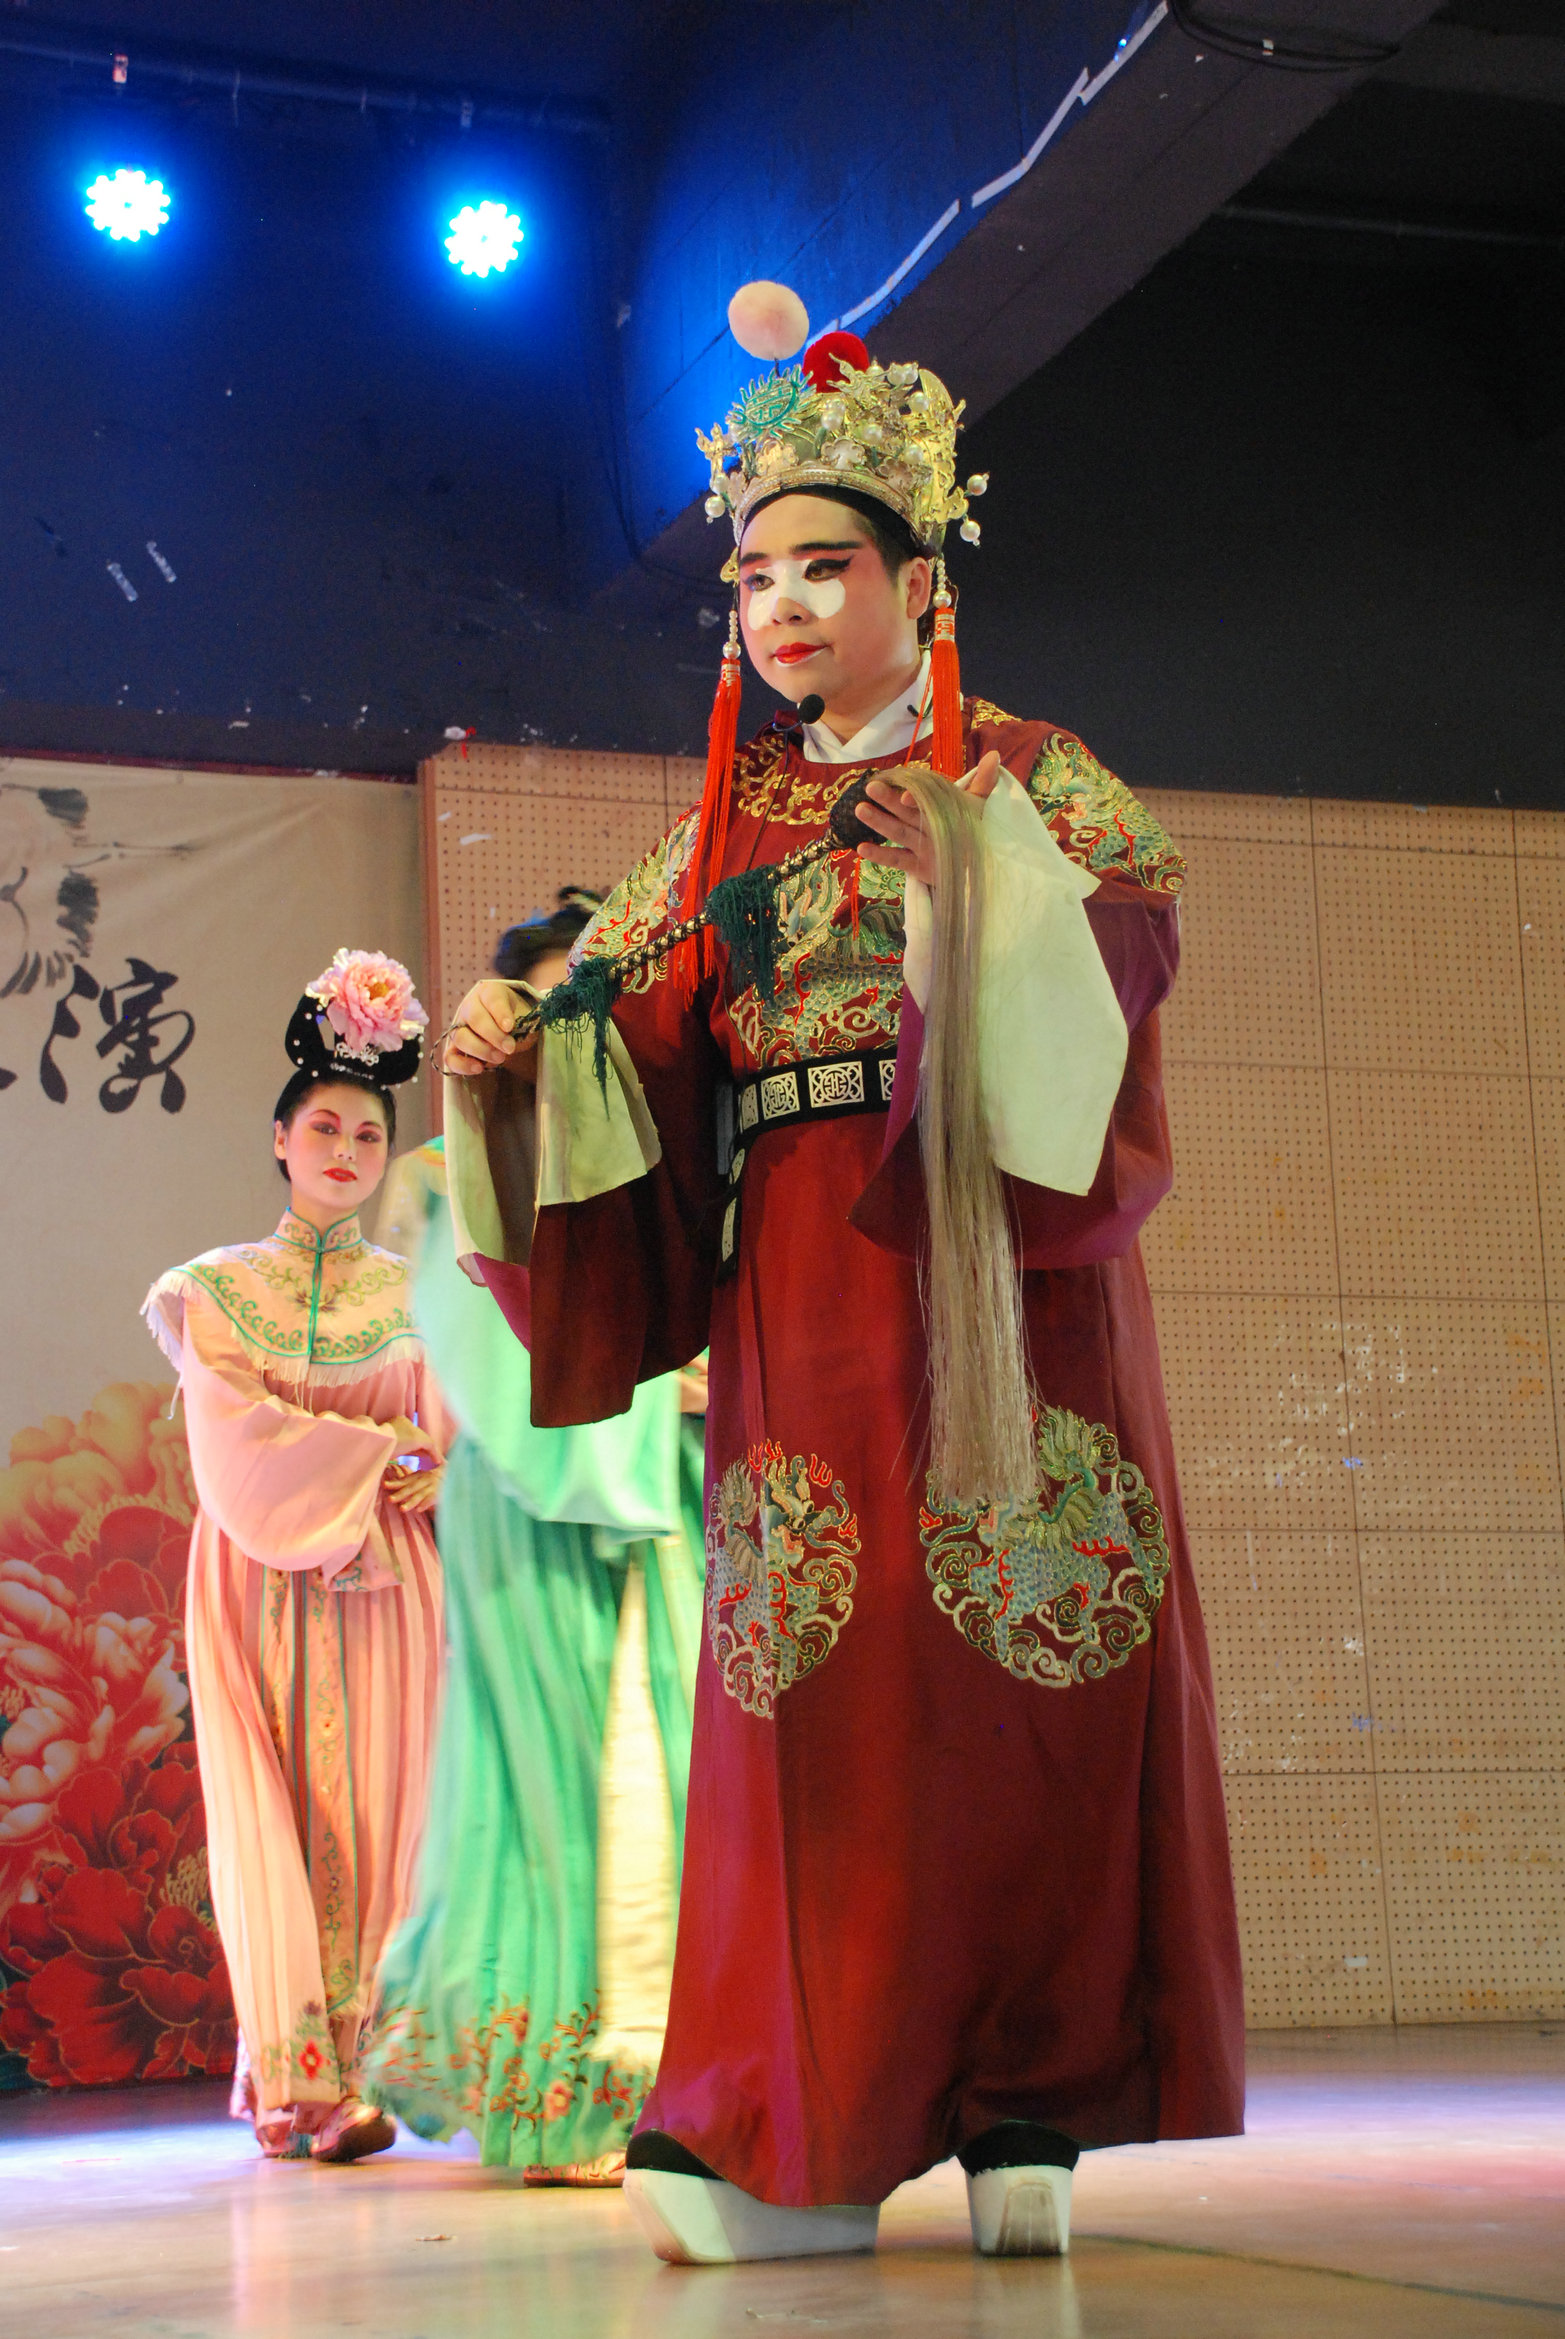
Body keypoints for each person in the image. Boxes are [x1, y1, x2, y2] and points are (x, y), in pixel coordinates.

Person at [440, 302, 1243, 2261]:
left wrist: (975, 877)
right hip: (798, 1288)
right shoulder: (716, 829)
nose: (783, 607)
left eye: (823, 567)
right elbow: (621, 1033)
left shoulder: (1033, 773)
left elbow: (1129, 940)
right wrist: (518, 1055)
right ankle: (805, 2116)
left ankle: (1034, 2086)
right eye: (752, 578)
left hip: (999, 1279)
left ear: (915, 581)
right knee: (822, 1696)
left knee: (1022, 1670)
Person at [363, 893, 708, 2181]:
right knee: (541, 1781)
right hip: (532, 1493)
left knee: (675, 1768)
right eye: (549, 1004)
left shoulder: (665, 1160)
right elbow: (482, 1352)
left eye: (592, 1008)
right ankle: (567, 2091)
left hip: (667, 1492)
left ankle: (678, 2080)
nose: (568, 1032)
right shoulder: (447, 1168)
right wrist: (652, 1386)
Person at [144, 950, 447, 2164]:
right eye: (322, 1125)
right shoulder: (210, 1289)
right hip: (252, 1580)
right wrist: (381, 1454)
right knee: (265, 1821)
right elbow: (233, 1438)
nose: (344, 1149)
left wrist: (446, 1463)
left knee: (381, 1815)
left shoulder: (427, 1292)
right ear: (279, 1138)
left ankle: (361, 2072)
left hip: (391, 1587)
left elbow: (462, 1429)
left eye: (368, 1135)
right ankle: (290, 2079)